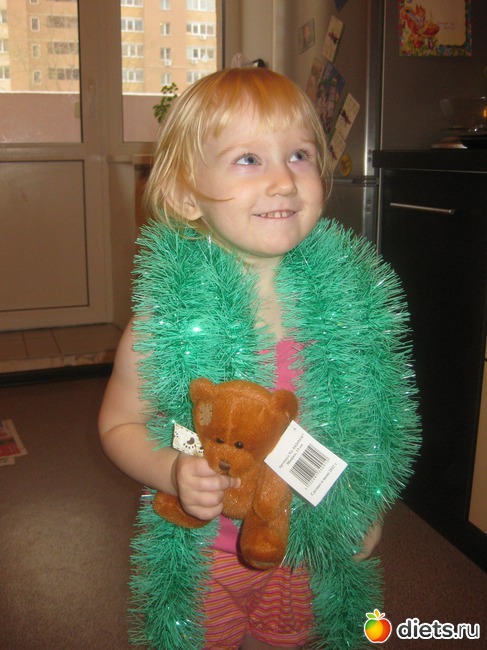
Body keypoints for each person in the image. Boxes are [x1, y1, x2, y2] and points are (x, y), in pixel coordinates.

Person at [99, 67, 420, 650]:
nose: (283, 181)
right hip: (206, 554)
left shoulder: (350, 309)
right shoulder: (166, 323)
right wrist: (170, 471)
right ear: (185, 195)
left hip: (304, 551)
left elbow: (376, 427)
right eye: (249, 159)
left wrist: (366, 507)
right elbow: (118, 424)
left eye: (299, 155)